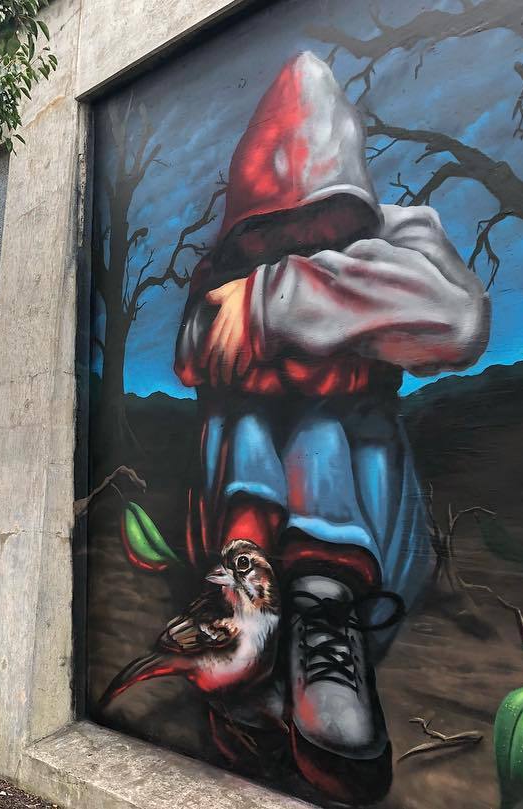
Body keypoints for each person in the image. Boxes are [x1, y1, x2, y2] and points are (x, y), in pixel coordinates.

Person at [173, 51, 490, 804]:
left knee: (322, 424)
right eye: (273, 231)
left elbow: (458, 320)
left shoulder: (404, 237)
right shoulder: (219, 272)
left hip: (370, 529)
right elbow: (196, 349)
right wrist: (329, 339)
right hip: (241, 512)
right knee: (251, 411)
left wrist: (271, 305)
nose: (298, 238)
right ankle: (247, 600)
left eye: (317, 223)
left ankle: (322, 607)